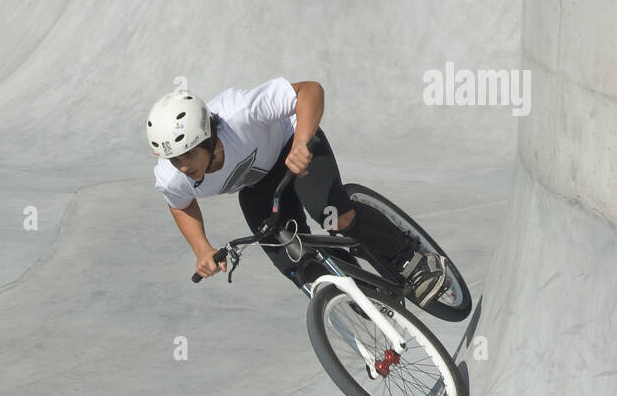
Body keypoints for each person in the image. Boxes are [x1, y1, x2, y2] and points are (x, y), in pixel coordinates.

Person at [147, 79, 448, 306]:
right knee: (298, 262)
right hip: (256, 188)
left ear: (206, 138)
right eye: (175, 159)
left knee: (332, 216)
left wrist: (302, 141)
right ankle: (362, 293)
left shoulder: (240, 112)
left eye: (187, 156)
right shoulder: (172, 177)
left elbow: (310, 91)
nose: (183, 167)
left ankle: (412, 258)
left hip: (293, 147)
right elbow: (180, 205)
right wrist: (202, 249)